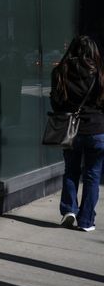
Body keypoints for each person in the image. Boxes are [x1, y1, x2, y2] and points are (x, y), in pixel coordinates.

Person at [51, 35, 104, 233]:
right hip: (97, 130)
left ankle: (69, 210)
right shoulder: (100, 73)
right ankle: (86, 221)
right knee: (92, 176)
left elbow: (56, 102)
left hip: (70, 131)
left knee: (71, 170)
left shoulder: (60, 72)